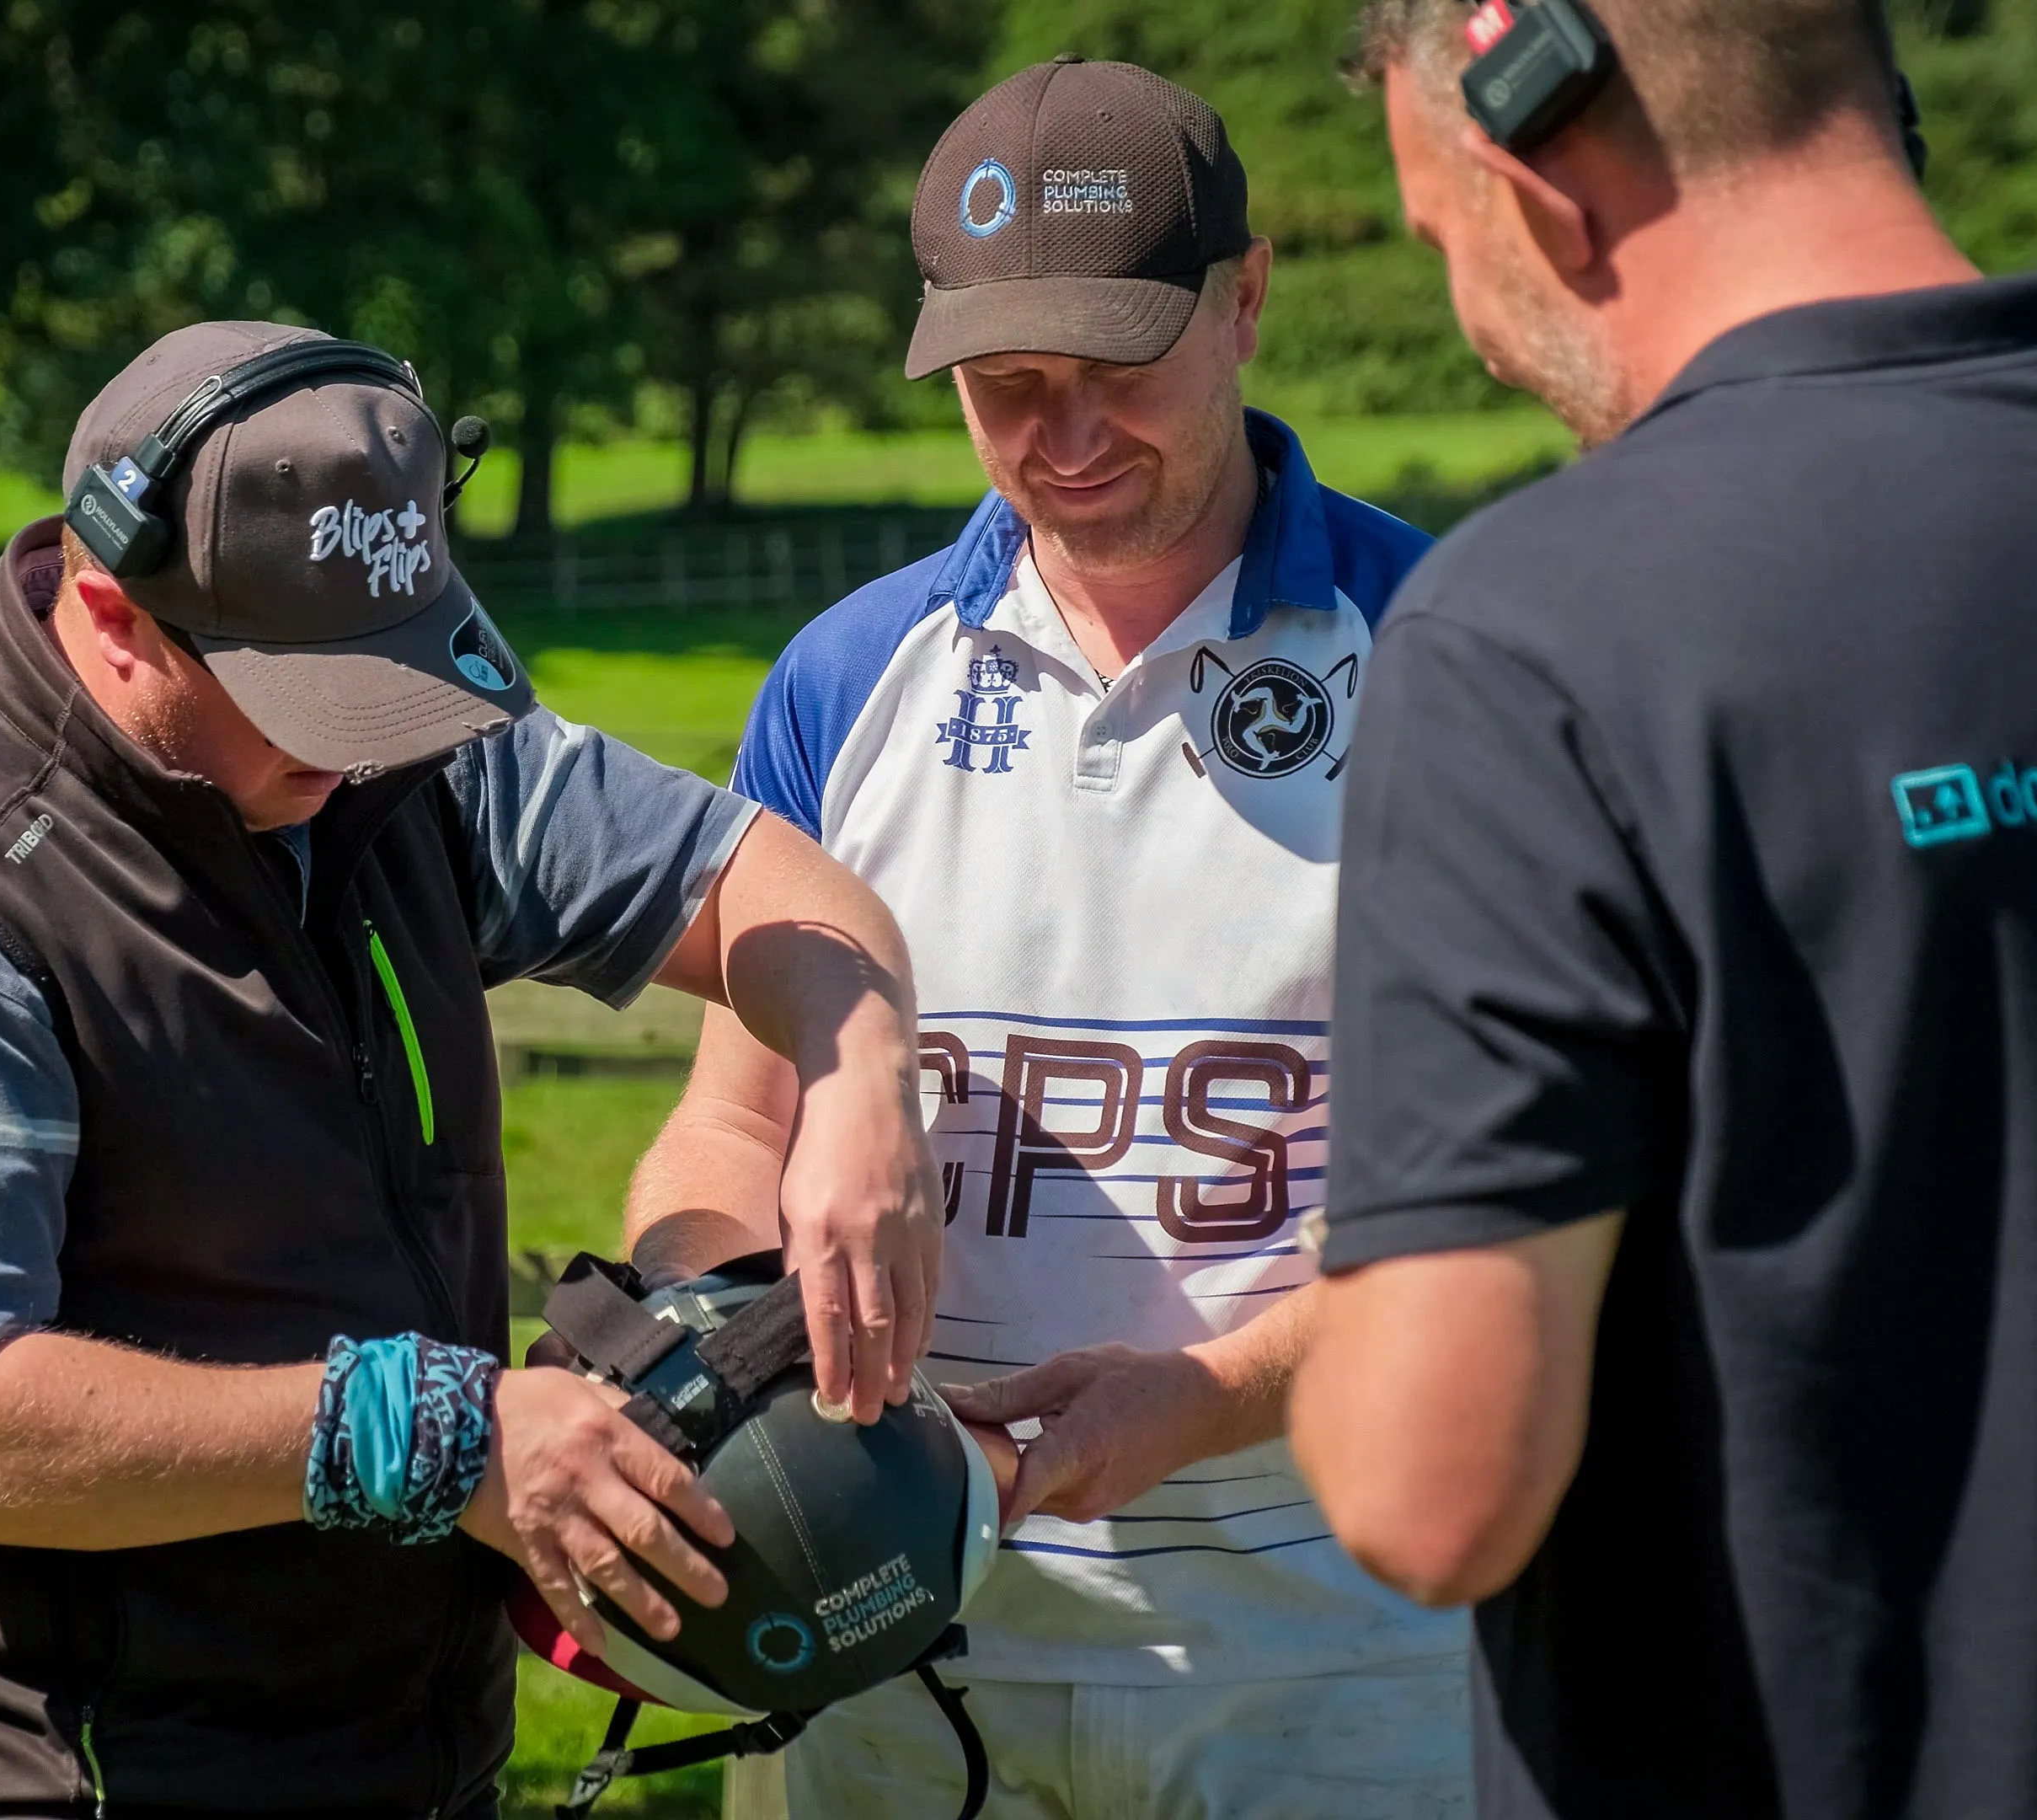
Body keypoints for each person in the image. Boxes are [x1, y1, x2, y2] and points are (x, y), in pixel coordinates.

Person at [0, 320, 944, 1820]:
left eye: (396, 681)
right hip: (86, 1779)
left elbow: (769, 889)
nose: (363, 747)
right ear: (112, 614)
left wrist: (862, 1070)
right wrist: (443, 1436)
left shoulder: (403, 759)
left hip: (406, 1756)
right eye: (311, 700)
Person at [1289, 2, 2037, 1815]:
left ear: (1532, 164)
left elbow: (1435, 1496)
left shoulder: (1538, 636)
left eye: (1444, 248)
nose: (1479, 337)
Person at [626, 56, 1471, 1817]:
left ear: (1245, 303)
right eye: (1006, 389)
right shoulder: (847, 678)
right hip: (881, 1638)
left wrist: (1211, 1397)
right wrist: (724, 1326)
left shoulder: (1460, 656)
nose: (1064, 440)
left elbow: (1523, 1211)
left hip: (1334, 1638)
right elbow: (727, 1123)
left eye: (1117, 374)